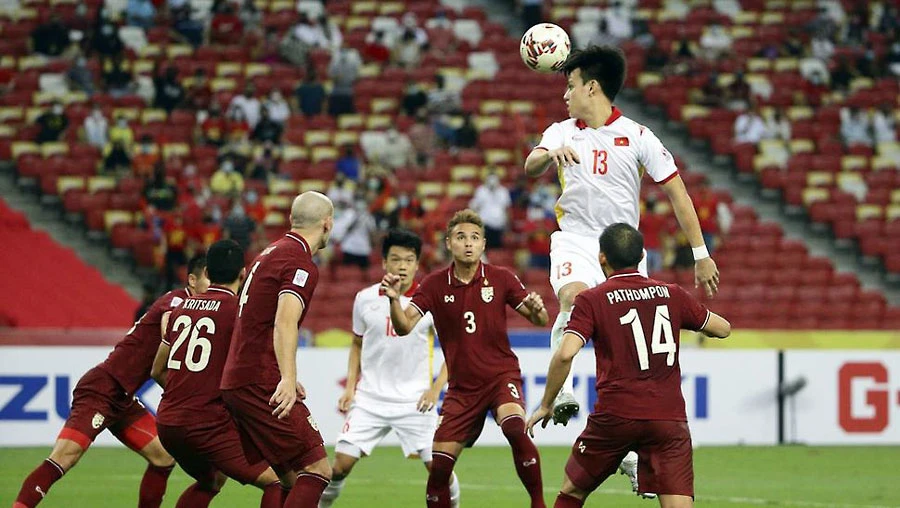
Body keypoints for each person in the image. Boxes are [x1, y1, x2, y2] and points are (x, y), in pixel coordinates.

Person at [523, 45, 717, 493]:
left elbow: (678, 193)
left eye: (570, 86)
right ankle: (563, 390)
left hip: (624, 252)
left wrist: (700, 252)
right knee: (573, 297)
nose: (565, 95)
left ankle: (630, 454)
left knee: (626, 356)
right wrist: (550, 154)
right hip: (575, 240)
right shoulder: (560, 131)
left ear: (592, 87)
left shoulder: (638, 135)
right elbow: (531, 164)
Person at [526, 223, 731, 508]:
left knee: (572, 491)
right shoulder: (671, 293)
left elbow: (565, 354)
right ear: (642, 256)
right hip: (668, 419)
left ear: (602, 258)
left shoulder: (592, 299)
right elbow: (723, 329)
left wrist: (547, 403)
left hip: (616, 416)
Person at [12, 256, 210, 508]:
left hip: (123, 398)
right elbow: (167, 325)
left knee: (163, 456)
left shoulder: (195, 309)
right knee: (64, 457)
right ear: (192, 280)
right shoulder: (177, 301)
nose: (215, 285)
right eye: (209, 278)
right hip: (102, 389)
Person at [384, 209, 550, 508]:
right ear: (449, 243)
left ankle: (538, 504)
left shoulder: (501, 277)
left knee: (515, 427)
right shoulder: (434, 284)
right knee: (439, 469)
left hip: (500, 377)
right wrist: (395, 300)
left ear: (484, 244)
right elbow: (404, 326)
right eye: (461, 237)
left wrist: (538, 309)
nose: (468, 243)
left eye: (475, 237)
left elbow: (540, 320)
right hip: (462, 390)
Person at [320, 229, 459, 508]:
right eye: (395, 259)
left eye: (409, 260)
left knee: (439, 468)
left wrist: (435, 390)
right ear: (384, 263)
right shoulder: (365, 298)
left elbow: (454, 351)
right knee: (339, 467)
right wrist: (350, 388)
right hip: (370, 399)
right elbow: (357, 344)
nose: (402, 266)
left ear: (417, 265)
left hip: (415, 401)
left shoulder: (430, 301)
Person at [220, 192, 335, 507]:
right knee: (317, 469)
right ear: (327, 223)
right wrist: (286, 377)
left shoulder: (268, 254)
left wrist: (284, 373)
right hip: (260, 380)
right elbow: (284, 321)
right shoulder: (299, 262)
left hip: (239, 378)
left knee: (290, 478)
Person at [151, 240, 283, 508]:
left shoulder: (180, 310)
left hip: (167, 423)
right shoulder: (238, 313)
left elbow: (157, 370)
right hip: (206, 424)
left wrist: (188, 394)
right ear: (243, 274)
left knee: (212, 480)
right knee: (277, 481)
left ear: (208, 273)